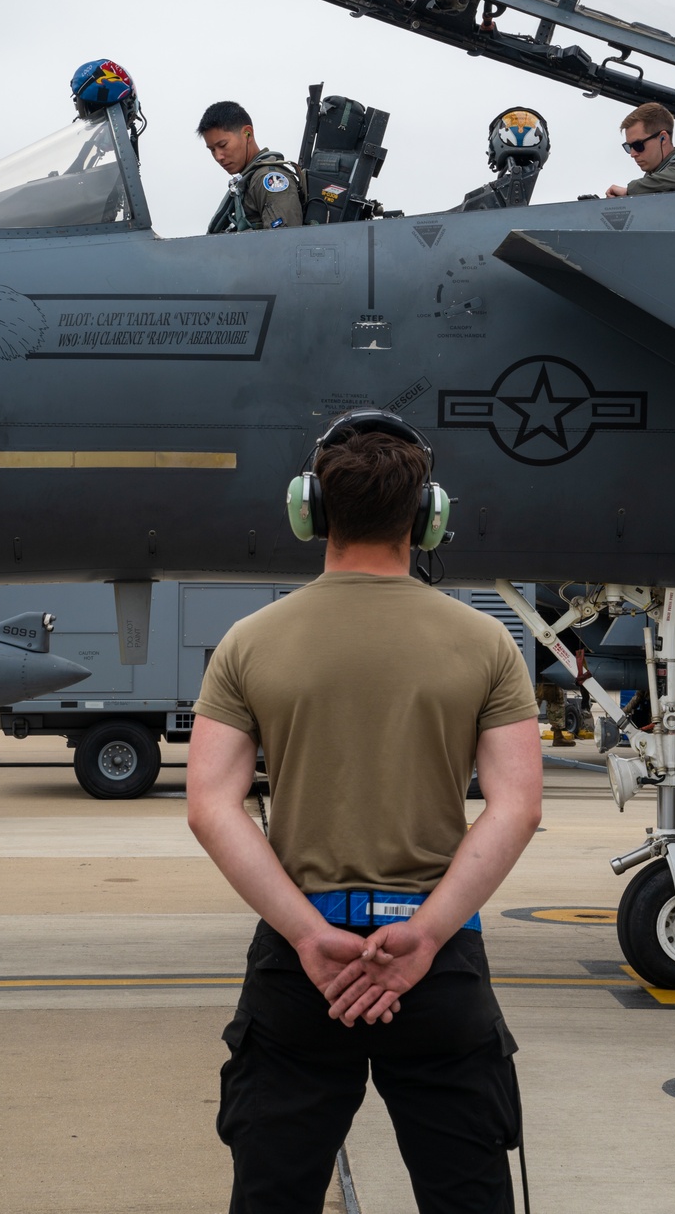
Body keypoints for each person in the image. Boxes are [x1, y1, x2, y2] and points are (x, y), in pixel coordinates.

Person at [186, 412, 543, 1213]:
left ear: (308, 510)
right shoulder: (487, 643)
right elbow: (515, 808)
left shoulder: (249, 642)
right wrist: (425, 935)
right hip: (436, 961)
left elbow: (211, 807)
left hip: (302, 963)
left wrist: (310, 935)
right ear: (427, 515)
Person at [197, 100, 304, 230]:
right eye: (212, 150)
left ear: (248, 134)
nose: (218, 157)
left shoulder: (269, 179)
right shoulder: (246, 183)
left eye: (223, 145)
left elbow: (285, 242)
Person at [606, 101, 675, 198]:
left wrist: (629, 191)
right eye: (629, 147)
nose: (633, 154)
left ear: (663, 138)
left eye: (638, 145)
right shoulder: (653, 182)